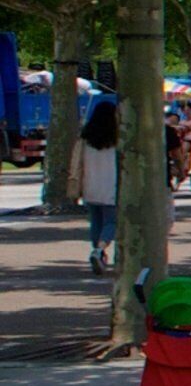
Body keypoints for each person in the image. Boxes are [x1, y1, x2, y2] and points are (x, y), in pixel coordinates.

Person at [67, 100, 118, 273]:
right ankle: (99, 250)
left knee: (96, 222)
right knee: (112, 221)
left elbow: (78, 162)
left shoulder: (86, 137)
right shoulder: (117, 138)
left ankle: (97, 252)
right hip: (111, 186)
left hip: (90, 185)